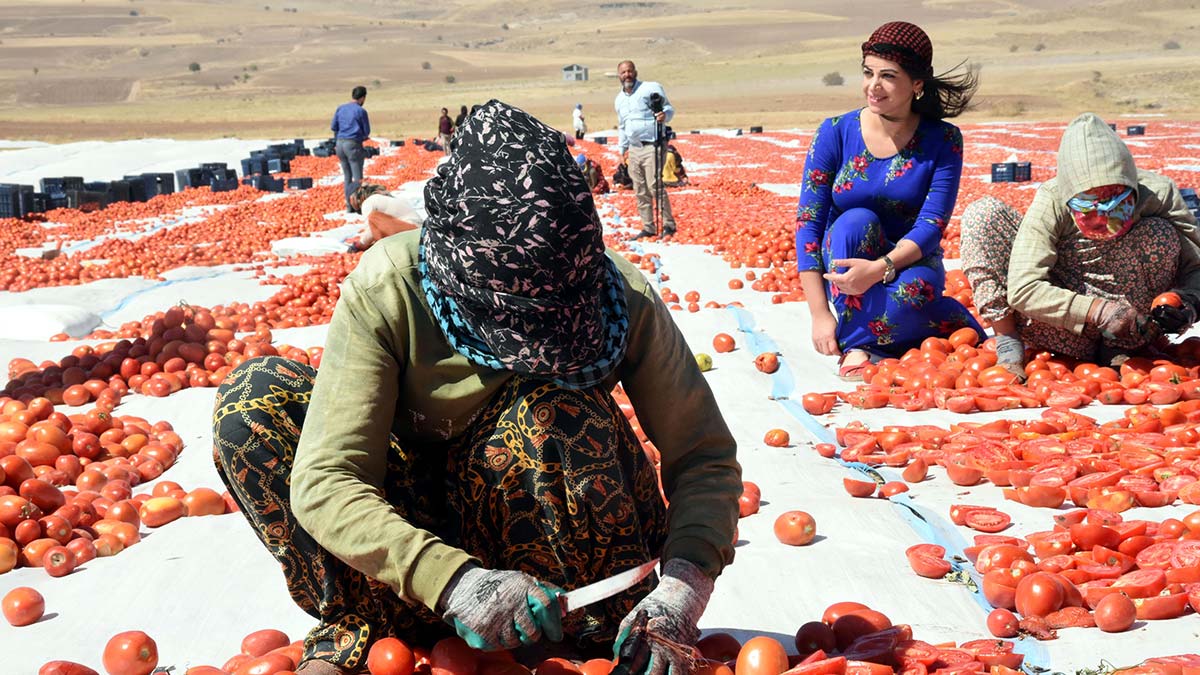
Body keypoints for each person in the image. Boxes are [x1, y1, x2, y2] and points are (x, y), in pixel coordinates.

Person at [212, 100, 741, 675]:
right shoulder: (392, 286)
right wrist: (453, 580)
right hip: (418, 533)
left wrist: (686, 583)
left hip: (561, 564)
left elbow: (703, 455)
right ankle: (376, 624)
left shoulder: (619, 298)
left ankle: (582, 630)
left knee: (551, 404)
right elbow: (326, 478)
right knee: (252, 401)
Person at [795, 21, 984, 380]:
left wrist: (880, 268)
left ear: (916, 84)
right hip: (849, 256)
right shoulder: (835, 131)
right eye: (868, 73)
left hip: (910, 259)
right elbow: (809, 222)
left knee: (915, 291)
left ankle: (867, 342)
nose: (873, 86)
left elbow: (932, 224)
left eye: (888, 76)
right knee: (854, 220)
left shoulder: (943, 139)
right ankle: (873, 339)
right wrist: (819, 314)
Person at [960, 112, 1200, 377]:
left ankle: (1119, 348)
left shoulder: (1159, 193)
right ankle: (1008, 341)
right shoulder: (1052, 200)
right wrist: (1096, 310)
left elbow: (1196, 266)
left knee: (1160, 232)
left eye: (1115, 205)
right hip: (1060, 325)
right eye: (1088, 208)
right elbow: (1023, 287)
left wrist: (1188, 303)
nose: (1103, 219)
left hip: (1133, 324)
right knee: (982, 214)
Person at [615, 60, 676, 239]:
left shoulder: (650, 88)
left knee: (654, 185)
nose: (627, 75)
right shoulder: (619, 100)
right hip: (634, 148)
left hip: (653, 144)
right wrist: (622, 149)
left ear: (635, 72)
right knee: (639, 188)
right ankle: (648, 226)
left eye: (629, 71)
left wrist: (665, 116)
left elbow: (669, 109)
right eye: (623, 72)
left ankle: (668, 224)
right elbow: (622, 126)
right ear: (619, 76)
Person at [348, 183, 425, 249]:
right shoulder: (381, 198)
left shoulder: (368, 202)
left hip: (412, 232)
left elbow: (370, 228)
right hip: (418, 231)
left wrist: (361, 244)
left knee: (373, 217)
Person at [331, 86, 371, 212]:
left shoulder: (341, 108)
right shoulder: (361, 111)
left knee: (347, 176)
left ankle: (349, 206)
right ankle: (358, 206)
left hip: (340, 144)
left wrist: (338, 139)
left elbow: (334, 126)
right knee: (358, 177)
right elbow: (366, 131)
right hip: (352, 145)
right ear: (363, 98)